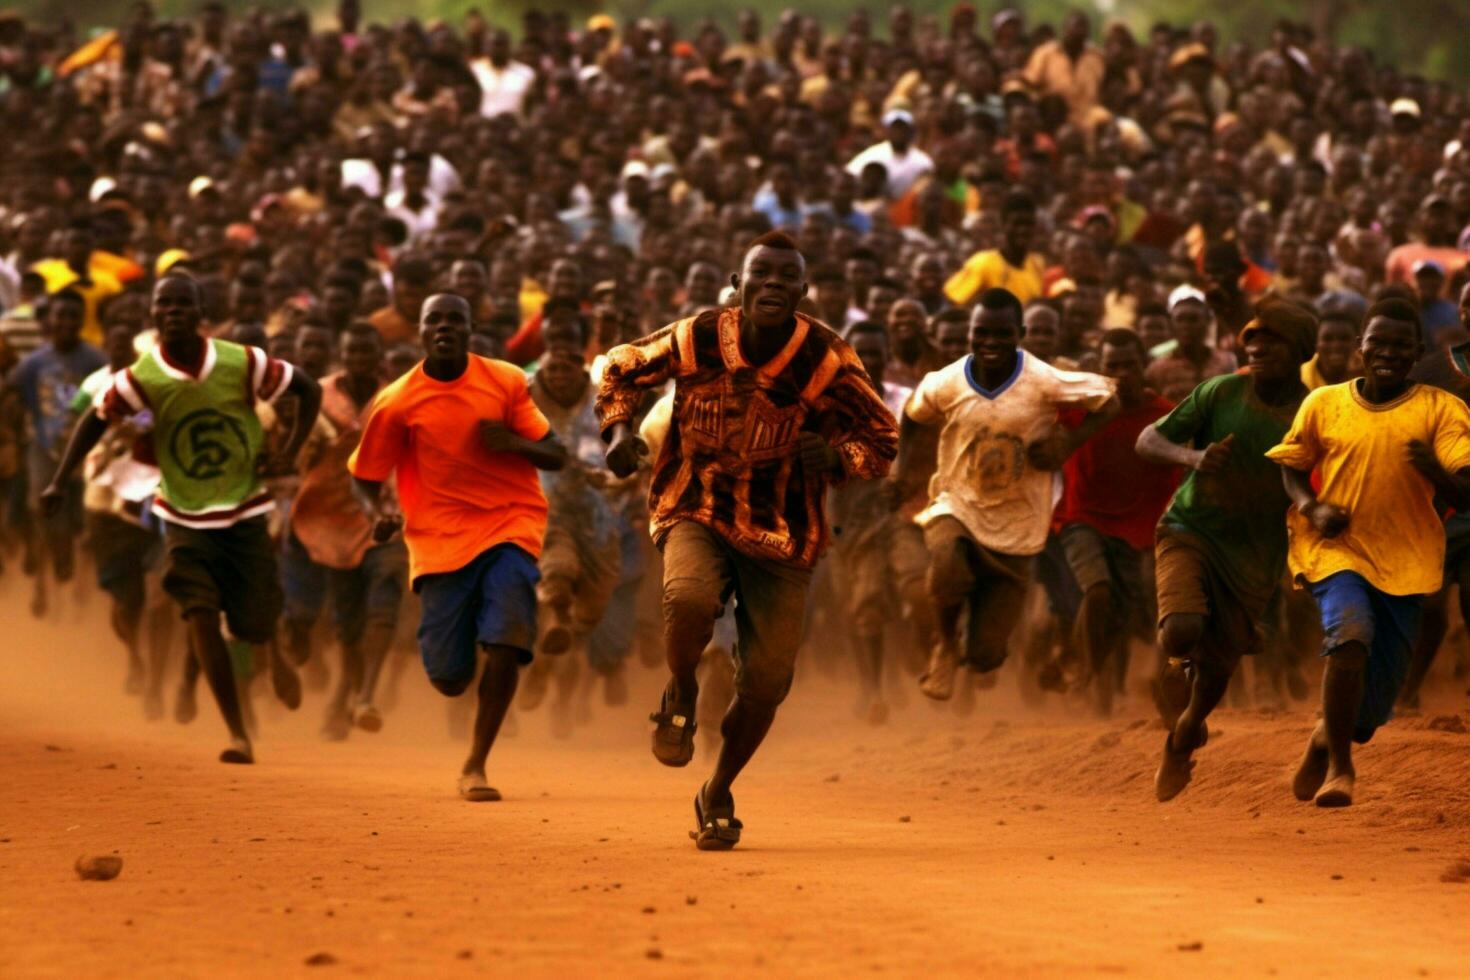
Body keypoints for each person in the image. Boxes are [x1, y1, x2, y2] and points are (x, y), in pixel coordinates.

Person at [598, 232, 898, 850]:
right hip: (695, 506)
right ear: (738, 283)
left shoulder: (830, 360)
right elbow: (619, 368)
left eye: (787, 278)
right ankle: (681, 689)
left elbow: (883, 440)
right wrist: (618, 432)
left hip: (786, 536)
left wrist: (837, 456)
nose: (773, 285)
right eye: (761, 274)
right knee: (687, 600)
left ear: (803, 293)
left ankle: (718, 788)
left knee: (765, 683)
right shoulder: (700, 336)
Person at [42, 273, 322, 765]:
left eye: (182, 305)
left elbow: (305, 390)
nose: (172, 313)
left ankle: (270, 643)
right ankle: (238, 733)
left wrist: (291, 452)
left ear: (200, 313)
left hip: (244, 511)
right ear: (153, 316)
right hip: (183, 515)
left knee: (253, 618)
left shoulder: (241, 362)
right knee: (199, 613)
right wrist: (60, 480)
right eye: (163, 306)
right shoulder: (141, 377)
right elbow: (93, 420)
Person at [349, 293, 568, 801]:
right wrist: (376, 511)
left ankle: (476, 764)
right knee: (450, 678)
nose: (445, 327)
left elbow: (554, 454)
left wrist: (514, 444)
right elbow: (365, 474)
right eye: (435, 320)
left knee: (509, 638)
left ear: (471, 330)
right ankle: (470, 642)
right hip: (438, 537)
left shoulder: (506, 380)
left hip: (510, 524)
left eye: (455, 320)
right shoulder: (397, 400)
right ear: (420, 332)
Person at [1268, 298, 1470, 807]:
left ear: (1418, 352)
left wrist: (1434, 470)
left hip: (1408, 560)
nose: (1387, 353)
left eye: (1401, 345)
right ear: (1360, 347)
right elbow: (1291, 465)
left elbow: (1465, 492)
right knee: (1350, 636)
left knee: (1367, 717)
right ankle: (1341, 769)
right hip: (1336, 549)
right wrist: (1311, 507)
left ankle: (1328, 738)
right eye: (1377, 342)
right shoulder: (1323, 402)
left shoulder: (1442, 409)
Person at [893, 288, 1116, 701]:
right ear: (970, 333)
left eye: (1001, 334)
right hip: (956, 502)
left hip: (1018, 522)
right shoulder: (947, 381)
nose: (990, 343)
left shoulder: (1042, 379)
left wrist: (1069, 441)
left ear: (1021, 333)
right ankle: (943, 646)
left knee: (986, 657)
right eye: (982, 333)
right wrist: (901, 470)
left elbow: (1108, 399)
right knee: (945, 563)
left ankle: (973, 641)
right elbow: (912, 414)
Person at [1134, 297, 1315, 801]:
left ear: (1300, 349)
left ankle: (1184, 735)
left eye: (1270, 339)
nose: (1255, 347)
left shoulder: (1316, 409)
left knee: (1217, 675)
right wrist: (1191, 456)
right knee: (1182, 629)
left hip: (1256, 558)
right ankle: (1177, 665)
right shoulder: (1220, 391)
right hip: (1188, 528)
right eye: (1251, 337)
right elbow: (1149, 440)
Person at [288, 324, 409, 739]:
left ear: (379, 354)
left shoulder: (396, 397)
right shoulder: (316, 395)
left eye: (367, 350)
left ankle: (366, 696)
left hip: (387, 515)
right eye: (351, 349)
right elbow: (294, 449)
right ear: (342, 352)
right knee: (347, 621)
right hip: (331, 518)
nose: (358, 356)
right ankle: (346, 691)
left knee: (385, 599)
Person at [1054, 329, 1178, 715]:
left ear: (1145, 367)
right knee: (1099, 591)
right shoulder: (1080, 407)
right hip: (1081, 518)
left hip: (1140, 529)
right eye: (1113, 366)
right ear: (1100, 369)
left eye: (1129, 365)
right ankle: (1084, 671)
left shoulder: (1165, 414)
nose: (1122, 374)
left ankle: (1114, 683)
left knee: (1131, 612)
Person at [830, 321, 933, 724]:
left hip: (902, 512)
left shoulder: (907, 403)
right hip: (852, 520)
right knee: (865, 606)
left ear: (887, 356)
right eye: (861, 352)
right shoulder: (828, 406)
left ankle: (925, 651)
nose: (869, 360)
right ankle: (872, 689)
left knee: (918, 586)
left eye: (876, 353)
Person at [4, 289, 106, 615]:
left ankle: (73, 571)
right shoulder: (34, 363)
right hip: (43, 448)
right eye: (60, 315)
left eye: (73, 316)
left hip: (84, 452)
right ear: (50, 320)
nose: (65, 322)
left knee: (80, 521)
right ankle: (47, 575)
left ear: (81, 321)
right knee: (44, 510)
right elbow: (11, 391)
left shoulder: (95, 360)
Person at [944, 193, 1047, 306]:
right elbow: (952, 299)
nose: (1023, 230)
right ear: (1003, 225)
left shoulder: (1037, 263)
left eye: (1028, 224)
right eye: (1017, 224)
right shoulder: (983, 263)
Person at [1145, 285, 1237, 402]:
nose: (1186, 326)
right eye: (1180, 319)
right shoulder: (1157, 370)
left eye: (1193, 319)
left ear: (1207, 322)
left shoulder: (1227, 362)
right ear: (1171, 324)